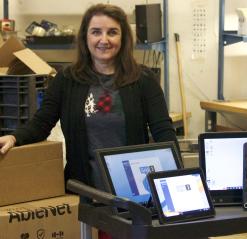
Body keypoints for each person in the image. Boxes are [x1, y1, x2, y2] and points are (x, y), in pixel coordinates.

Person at [0, 3, 178, 191]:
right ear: (85, 37)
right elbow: (41, 123)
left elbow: (164, 133)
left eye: (112, 32)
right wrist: (13, 137)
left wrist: (176, 181)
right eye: (96, 32)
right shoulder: (67, 79)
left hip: (133, 192)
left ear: (123, 37)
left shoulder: (143, 79)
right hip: (83, 191)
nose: (104, 39)